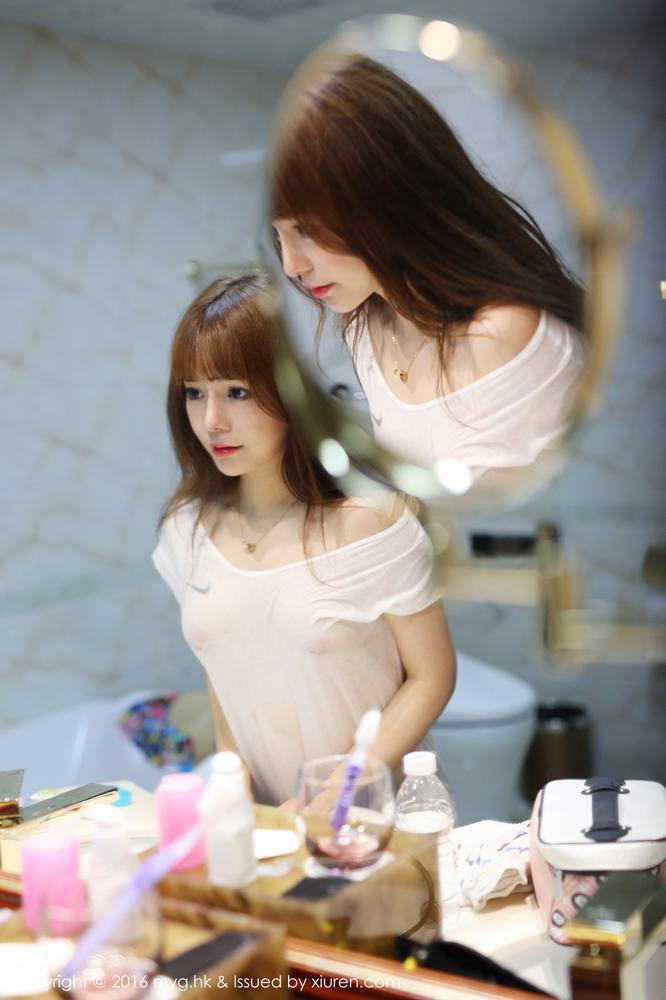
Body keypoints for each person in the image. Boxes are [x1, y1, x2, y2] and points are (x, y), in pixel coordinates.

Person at [152, 273, 456, 806]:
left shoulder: (373, 521)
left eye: (237, 392)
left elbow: (432, 677)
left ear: (293, 392)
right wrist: (235, 791)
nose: (212, 421)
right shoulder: (188, 529)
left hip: (376, 821)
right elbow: (224, 673)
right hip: (268, 829)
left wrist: (336, 792)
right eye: (195, 393)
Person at [272, 54, 586, 477]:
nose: (291, 265)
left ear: (387, 197)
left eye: (305, 229)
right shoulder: (366, 327)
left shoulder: (502, 336)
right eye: (278, 235)